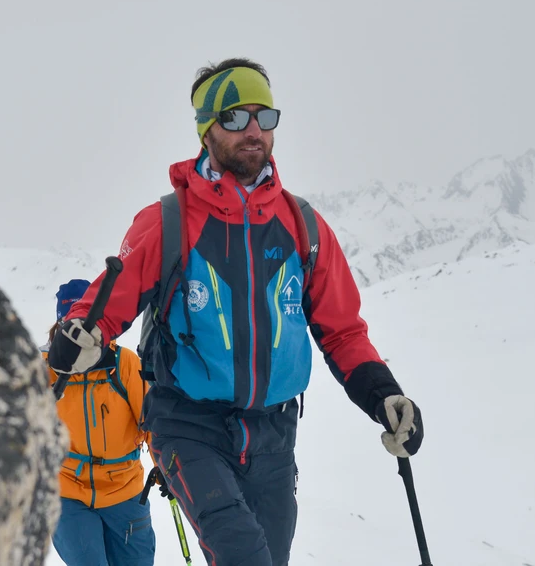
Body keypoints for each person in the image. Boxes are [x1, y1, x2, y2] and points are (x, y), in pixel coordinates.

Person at [48, 58, 423, 565]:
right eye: (234, 117)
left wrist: (384, 396)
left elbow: (342, 330)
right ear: (206, 130)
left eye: (263, 117)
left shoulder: (303, 226)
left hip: (273, 435)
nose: (253, 131)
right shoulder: (169, 221)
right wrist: (79, 336)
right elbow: (105, 305)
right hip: (189, 423)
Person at [45, 279, 156, 566]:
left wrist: (171, 469)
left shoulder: (124, 364)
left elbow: (153, 424)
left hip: (125, 490)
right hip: (67, 492)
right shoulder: (43, 370)